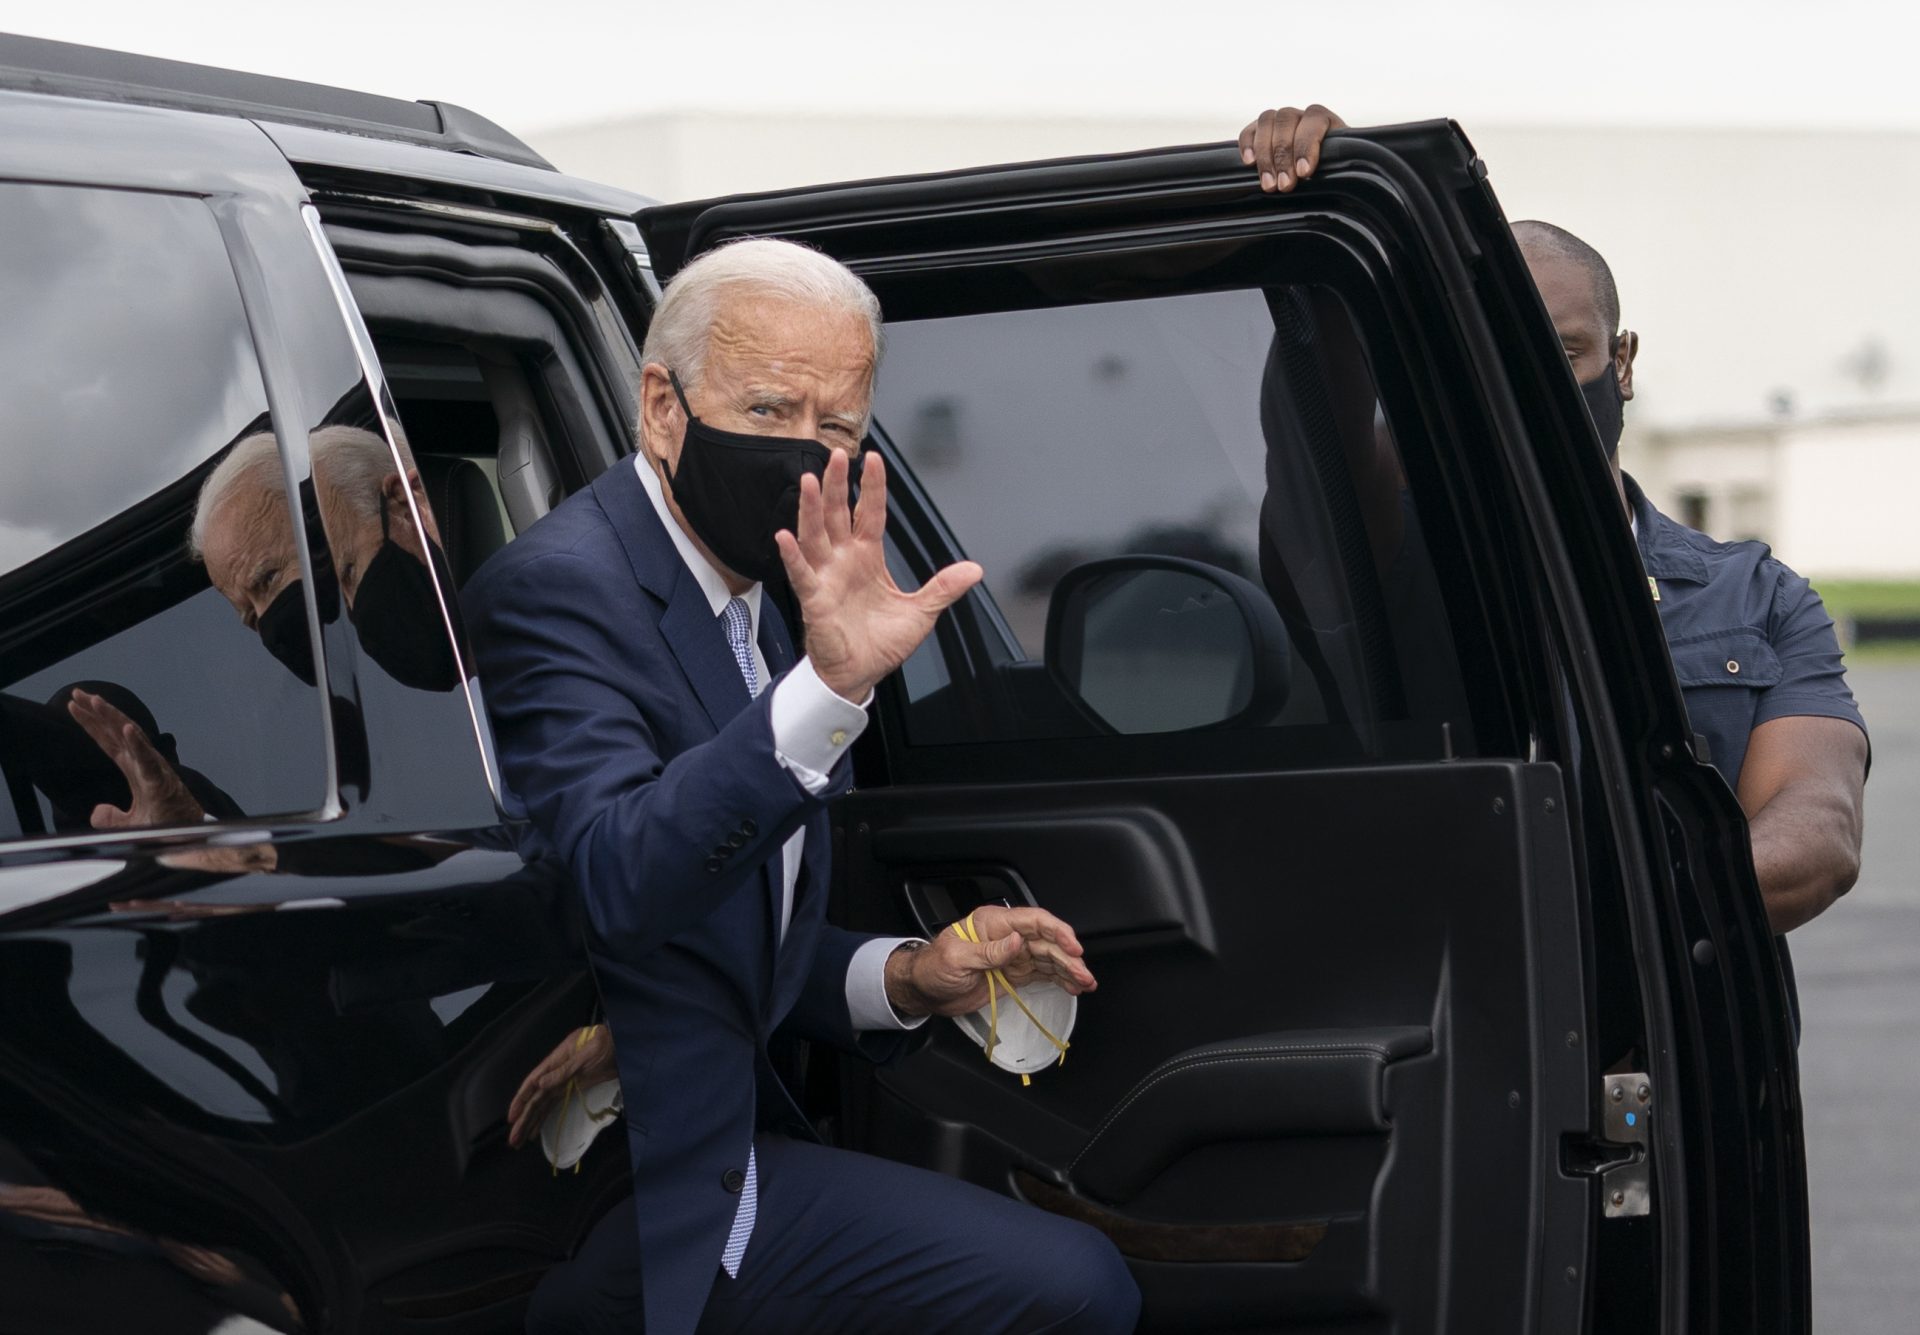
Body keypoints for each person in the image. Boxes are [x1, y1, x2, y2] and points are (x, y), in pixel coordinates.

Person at [462, 237, 1139, 1335]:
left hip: (735, 1140)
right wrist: (826, 688)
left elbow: (736, 922)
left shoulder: (765, 597)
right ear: (663, 410)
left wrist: (913, 977)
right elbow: (618, 881)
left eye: (839, 431)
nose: (804, 454)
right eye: (771, 410)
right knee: (1076, 1291)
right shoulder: (561, 591)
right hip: (633, 1184)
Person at [1239, 107, 1869, 946]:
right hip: (1463, 1040)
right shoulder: (1387, 560)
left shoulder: (1757, 596)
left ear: (1625, 362)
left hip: (1691, 1052)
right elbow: (1322, 433)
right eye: (1501, 355)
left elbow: (1817, 830)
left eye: (1564, 353)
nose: (1533, 385)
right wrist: (1327, 221)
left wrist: (1589, 915)